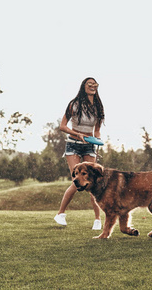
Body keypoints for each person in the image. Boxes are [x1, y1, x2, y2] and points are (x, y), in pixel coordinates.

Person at [54, 77, 105, 230]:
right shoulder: (74, 104)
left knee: (93, 182)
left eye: (94, 85)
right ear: (84, 87)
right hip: (73, 145)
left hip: (89, 146)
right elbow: (62, 126)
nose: (92, 87)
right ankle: (61, 214)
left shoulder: (98, 107)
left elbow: (96, 130)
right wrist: (77, 134)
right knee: (77, 181)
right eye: (89, 84)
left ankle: (97, 219)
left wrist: (98, 140)